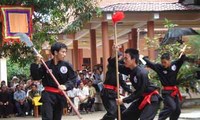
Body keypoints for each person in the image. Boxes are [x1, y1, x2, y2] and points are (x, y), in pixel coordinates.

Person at [30, 42, 77, 120]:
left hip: (60, 96)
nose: (65, 54)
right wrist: (36, 62)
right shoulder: (46, 65)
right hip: (48, 95)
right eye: (63, 52)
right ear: (55, 52)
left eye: (65, 52)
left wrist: (65, 86)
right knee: (47, 118)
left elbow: (73, 79)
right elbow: (36, 77)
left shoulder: (67, 65)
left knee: (57, 118)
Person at [110, 48, 161, 120]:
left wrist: (124, 100)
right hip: (142, 97)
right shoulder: (129, 69)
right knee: (125, 117)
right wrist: (114, 52)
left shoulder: (141, 73)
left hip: (152, 99)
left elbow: (139, 92)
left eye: (126, 58)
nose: (124, 61)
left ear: (133, 59)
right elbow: (113, 65)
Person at [142, 52, 187, 120]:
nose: (163, 64)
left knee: (177, 111)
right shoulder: (159, 67)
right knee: (172, 107)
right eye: (162, 62)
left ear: (169, 60)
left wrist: (183, 54)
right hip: (166, 93)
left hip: (174, 92)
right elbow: (151, 64)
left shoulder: (175, 65)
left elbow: (181, 60)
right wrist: (144, 58)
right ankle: (161, 118)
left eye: (165, 62)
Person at [100, 52, 133, 120]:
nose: (123, 60)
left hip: (115, 94)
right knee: (112, 113)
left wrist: (131, 92)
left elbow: (123, 84)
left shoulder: (119, 71)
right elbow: (112, 60)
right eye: (122, 58)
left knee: (123, 112)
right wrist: (114, 51)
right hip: (108, 93)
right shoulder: (112, 66)